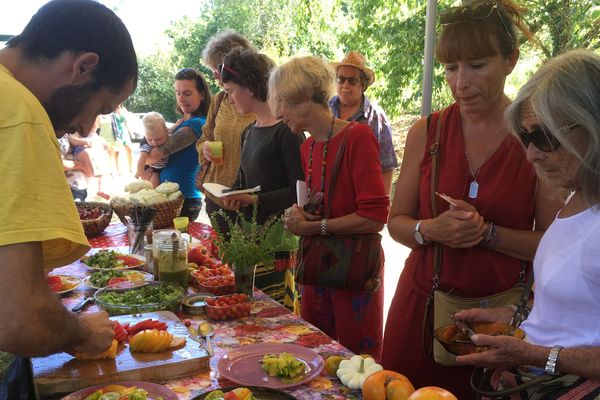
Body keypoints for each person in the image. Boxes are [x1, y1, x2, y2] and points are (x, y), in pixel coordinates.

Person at [381, 1, 561, 397]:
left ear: (510, 60)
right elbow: (397, 224)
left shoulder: (536, 136)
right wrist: (430, 230)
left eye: (477, 65)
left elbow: (552, 243)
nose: (460, 82)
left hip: (498, 324)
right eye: (450, 68)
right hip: (418, 313)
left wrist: (489, 234)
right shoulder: (424, 133)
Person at [0, 0, 137, 397]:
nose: (85, 126)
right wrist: (83, 332)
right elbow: (21, 319)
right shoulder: (19, 113)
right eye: (101, 108)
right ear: (83, 66)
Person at [454, 48, 600, 399]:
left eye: (545, 136)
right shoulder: (578, 194)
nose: (531, 154)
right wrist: (514, 318)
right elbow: (578, 313)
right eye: (526, 137)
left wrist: (534, 354)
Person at [272, 56, 389, 358]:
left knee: (355, 364)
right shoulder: (307, 147)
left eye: (282, 101)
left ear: (302, 98)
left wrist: (314, 227)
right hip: (318, 275)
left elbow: (374, 217)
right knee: (317, 355)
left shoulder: (358, 136)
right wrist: (300, 214)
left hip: (354, 274)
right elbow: (319, 207)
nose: (278, 111)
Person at [219, 48, 305, 307]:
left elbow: (300, 191)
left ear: (249, 86)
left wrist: (256, 201)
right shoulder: (248, 131)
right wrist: (230, 195)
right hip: (250, 240)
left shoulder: (287, 132)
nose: (230, 99)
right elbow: (242, 180)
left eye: (231, 91)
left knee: (276, 315)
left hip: (279, 243)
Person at [196, 31, 256, 235]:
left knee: (249, 264)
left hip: (248, 201)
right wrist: (204, 148)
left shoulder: (262, 103)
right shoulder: (219, 99)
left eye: (216, 70)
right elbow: (205, 136)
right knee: (219, 263)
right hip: (216, 196)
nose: (214, 77)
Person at [145, 68, 211, 221]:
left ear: (201, 94)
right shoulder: (183, 122)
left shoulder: (196, 123)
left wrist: (146, 160)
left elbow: (155, 154)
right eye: (178, 92)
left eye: (187, 93)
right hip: (172, 198)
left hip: (184, 200)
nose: (181, 98)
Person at [329, 51, 398, 194]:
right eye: (341, 79)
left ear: (363, 85)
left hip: (364, 194)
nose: (345, 85)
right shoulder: (325, 110)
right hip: (329, 194)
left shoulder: (376, 117)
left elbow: (387, 165)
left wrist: (383, 204)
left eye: (352, 80)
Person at [136, 112, 170, 188]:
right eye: (149, 139)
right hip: (153, 169)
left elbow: (172, 130)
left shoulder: (169, 135)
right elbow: (142, 158)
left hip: (164, 167)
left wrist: (177, 125)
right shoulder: (146, 144)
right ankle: (153, 195)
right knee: (155, 179)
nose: (154, 143)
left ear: (166, 132)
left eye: (158, 139)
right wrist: (140, 171)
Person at [110, 103, 134, 174]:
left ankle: (130, 168)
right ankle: (118, 170)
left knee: (129, 150)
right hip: (117, 133)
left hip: (124, 133)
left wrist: (131, 132)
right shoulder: (111, 112)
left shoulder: (123, 110)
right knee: (117, 152)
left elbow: (126, 123)